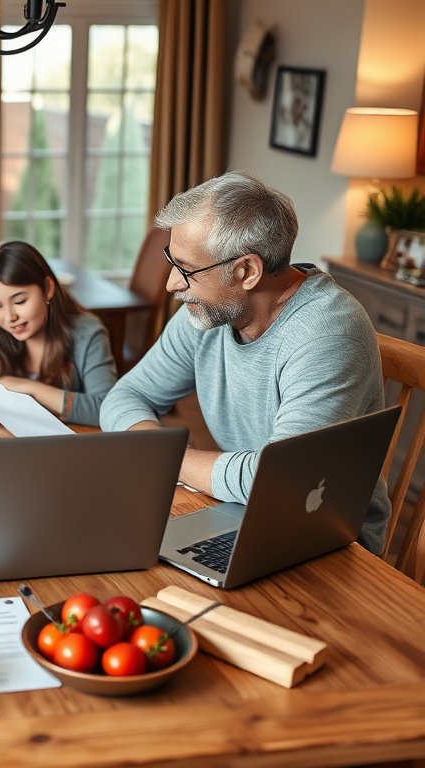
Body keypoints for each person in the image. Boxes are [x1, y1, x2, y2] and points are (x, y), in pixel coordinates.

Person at [99, 170, 390, 555]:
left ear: (247, 271)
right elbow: (126, 396)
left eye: (186, 269)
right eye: (172, 260)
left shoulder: (328, 334)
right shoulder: (210, 312)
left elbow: (277, 481)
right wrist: (165, 453)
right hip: (236, 512)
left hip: (328, 545)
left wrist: (163, 458)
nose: (171, 284)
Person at [0, 241, 117, 427]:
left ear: (48, 288)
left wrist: (31, 389)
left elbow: (108, 409)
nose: (10, 317)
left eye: (20, 301)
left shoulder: (87, 334)